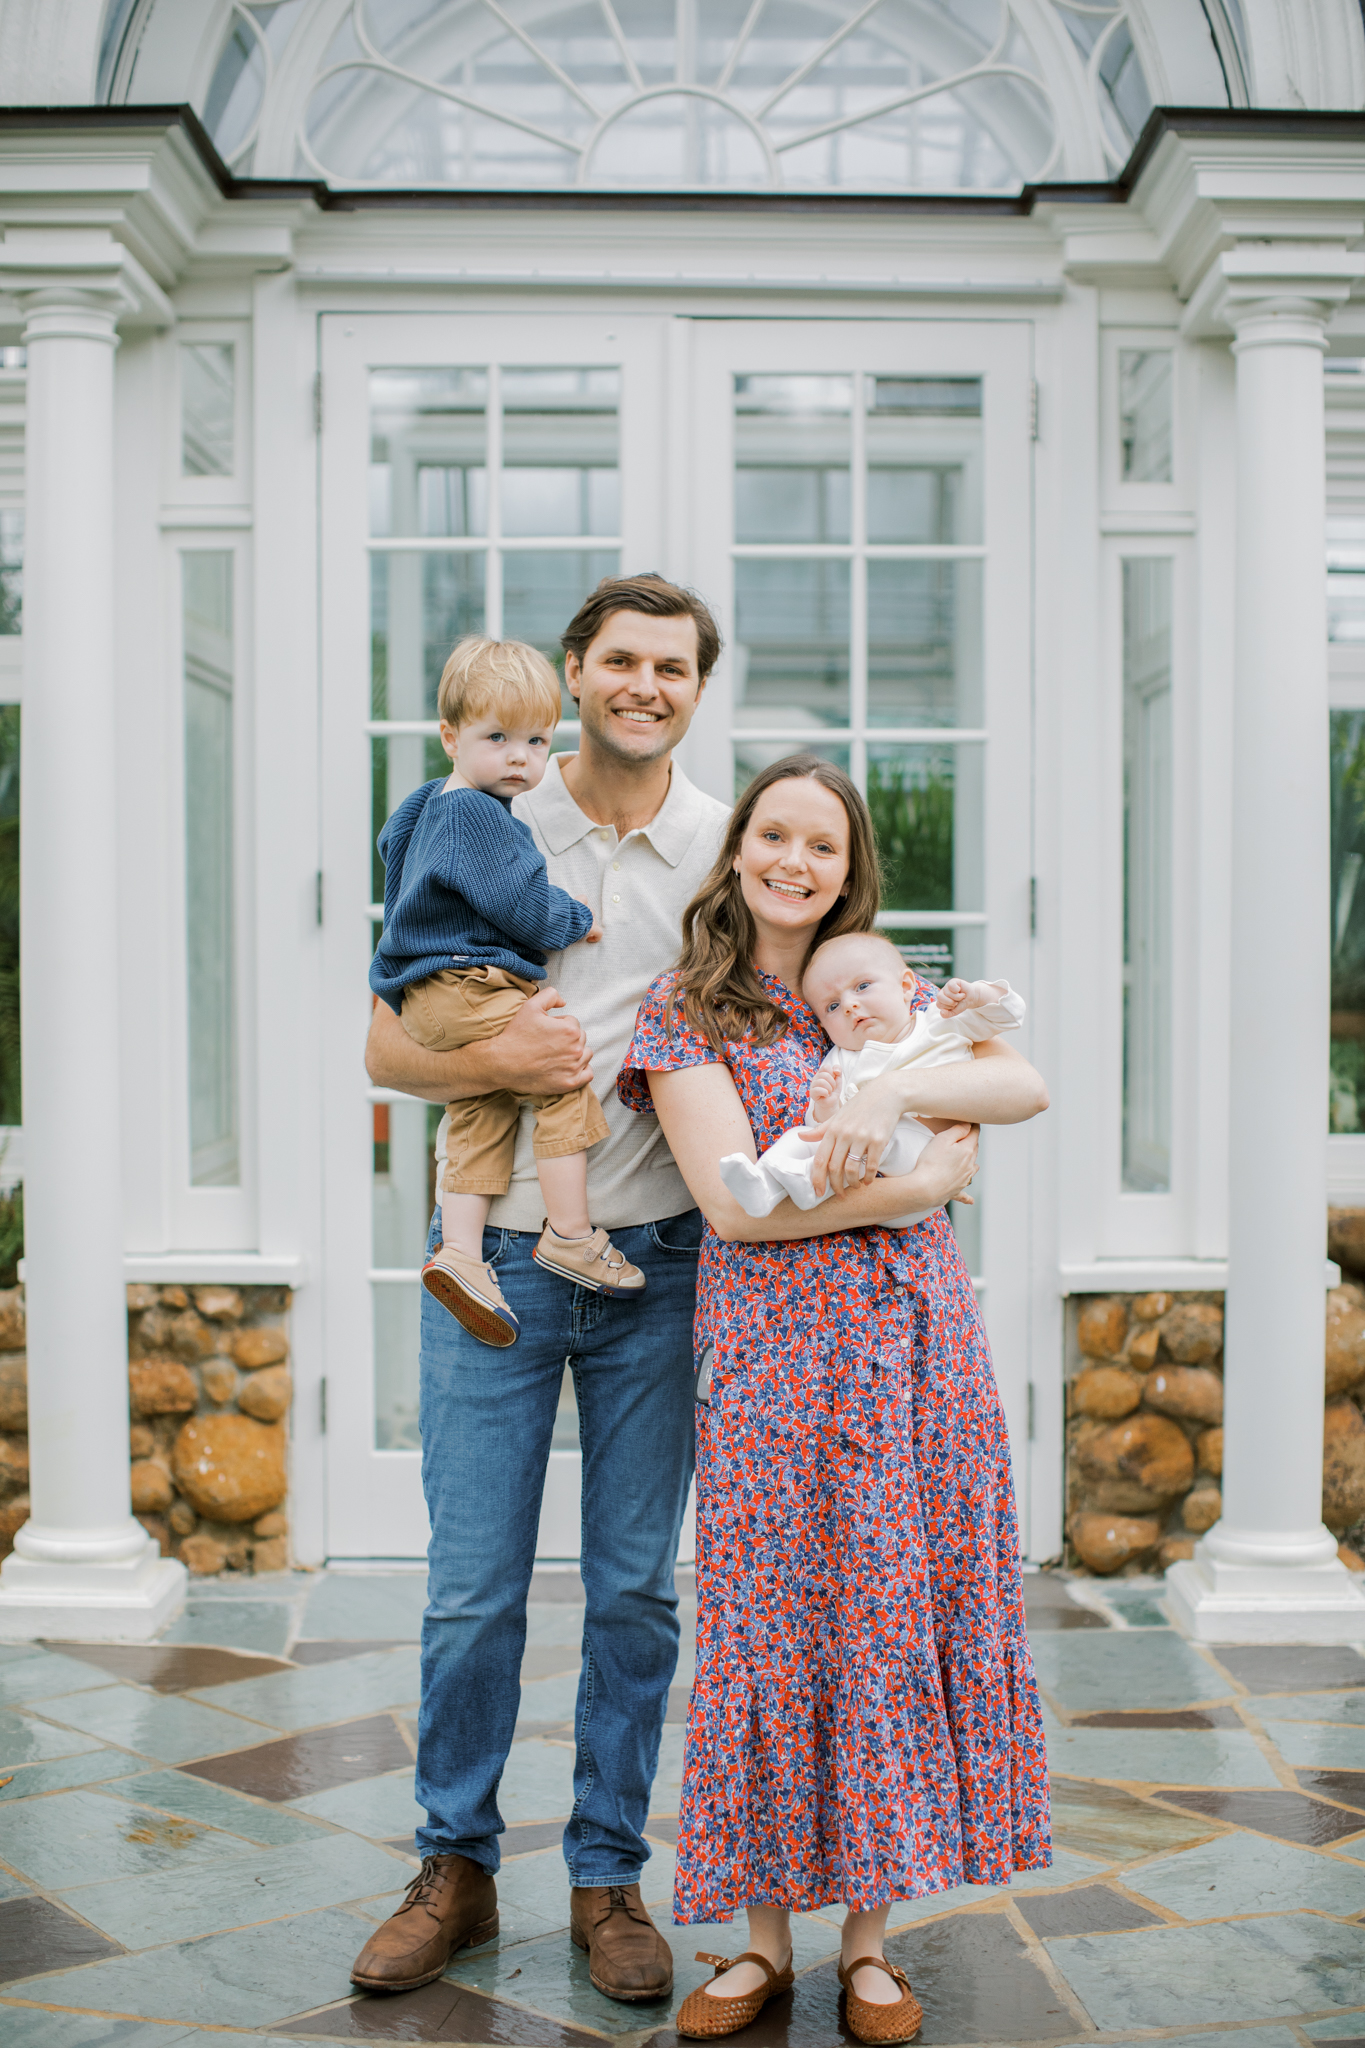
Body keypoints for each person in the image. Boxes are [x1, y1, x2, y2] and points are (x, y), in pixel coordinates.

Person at [616, 754, 1052, 2045]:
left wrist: (885, 1083)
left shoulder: (878, 984)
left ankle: (869, 1943)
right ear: (739, 846)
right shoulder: (687, 1007)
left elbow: (1019, 1084)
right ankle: (756, 1944)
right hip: (770, 1361)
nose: (793, 863)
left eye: (820, 845)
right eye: (773, 836)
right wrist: (914, 1192)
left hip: (913, 1355)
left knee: (886, 1621)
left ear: (847, 866)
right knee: (768, 1627)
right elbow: (725, 1211)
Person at [351, 575, 730, 2004]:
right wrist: (492, 1066)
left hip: (663, 1261)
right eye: (619, 660)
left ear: (696, 688)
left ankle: (606, 1874)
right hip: (500, 1266)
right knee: (471, 1591)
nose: (643, 684)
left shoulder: (718, 843)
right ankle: (452, 1861)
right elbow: (387, 1049)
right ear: (575, 676)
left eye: (671, 666)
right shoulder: (496, 811)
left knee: (635, 1589)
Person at [369, 635, 645, 1346]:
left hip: (423, 987)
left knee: (479, 1106)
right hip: (469, 976)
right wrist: (575, 918)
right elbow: (521, 903)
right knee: (556, 1077)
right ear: (449, 735)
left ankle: (460, 1253)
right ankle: (571, 1233)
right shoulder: (480, 814)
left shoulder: (427, 804)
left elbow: (390, 852)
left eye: (534, 739)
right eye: (498, 738)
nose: (520, 757)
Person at [720, 928, 1024, 1227]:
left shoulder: (941, 1023)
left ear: (906, 986)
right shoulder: (843, 1057)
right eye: (833, 1006)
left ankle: (806, 1183)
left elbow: (1010, 1015)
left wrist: (980, 994)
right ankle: (764, 1183)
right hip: (886, 1188)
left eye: (862, 986)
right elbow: (829, 1125)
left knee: (879, 1133)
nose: (850, 1004)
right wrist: (825, 1107)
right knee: (805, 1137)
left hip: (927, 1154)